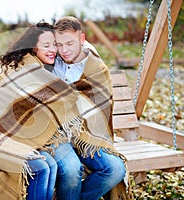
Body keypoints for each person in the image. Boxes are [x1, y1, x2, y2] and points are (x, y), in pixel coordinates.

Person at [0, 22, 83, 200]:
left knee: (48, 165)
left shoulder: (46, 69)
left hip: (32, 140)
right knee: (43, 166)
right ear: (34, 48)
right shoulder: (20, 68)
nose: (52, 50)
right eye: (46, 45)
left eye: (54, 45)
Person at [52, 16, 132, 200]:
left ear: (82, 39)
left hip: (86, 134)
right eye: (59, 44)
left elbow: (99, 105)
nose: (64, 50)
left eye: (70, 43)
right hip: (56, 134)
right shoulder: (51, 59)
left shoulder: (93, 66)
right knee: (72, 170)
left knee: (115, 168)